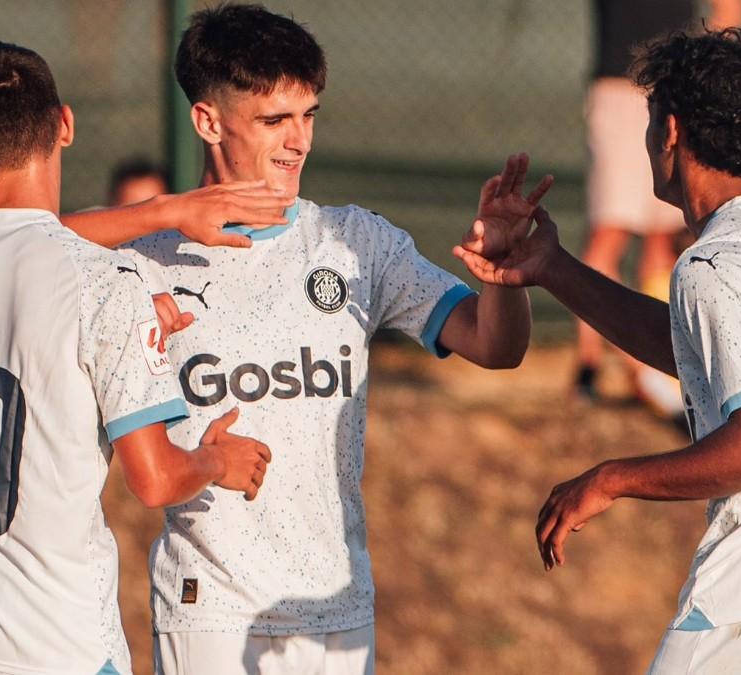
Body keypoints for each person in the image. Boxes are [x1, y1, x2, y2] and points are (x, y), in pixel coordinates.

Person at [65, 5, 548, 673]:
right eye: (273, 121)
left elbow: (498, 346)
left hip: (337, 609)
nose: (298, 141)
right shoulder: (145, 255)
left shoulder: (355, 240)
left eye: (308, 115)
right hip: (210, 611)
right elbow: (20, 247)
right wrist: (167, 213)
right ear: (208, 121)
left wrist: (504, 273)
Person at [454, 28, 741, 674]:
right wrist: (553, 268)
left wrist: (611, 478)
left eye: (649, 124)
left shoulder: (716, 261)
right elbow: (701, 353)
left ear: (670, 131)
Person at [0, 42, 275, 675]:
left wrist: (161, 217)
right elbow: (154, 481)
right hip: (53, 645)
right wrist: (216, 460)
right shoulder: (107, 286)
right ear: (65, 124)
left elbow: (19, 247)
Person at [576, 0, 741, 409]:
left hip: (674, 90)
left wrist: (712, 76)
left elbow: (728, 9)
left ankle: (659, 374)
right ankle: (589, 368)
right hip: (618, 88)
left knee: (662, 240)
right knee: (608, 236)